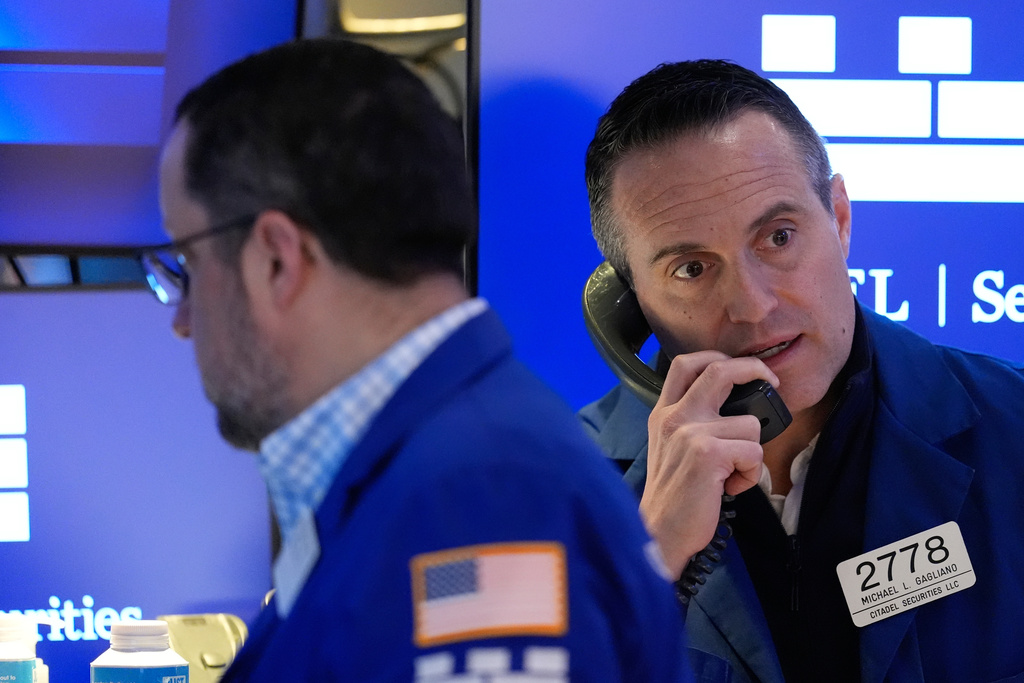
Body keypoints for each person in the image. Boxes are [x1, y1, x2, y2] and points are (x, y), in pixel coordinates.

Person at [140, 39, 692, 682]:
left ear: (276, 260)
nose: (182, 319)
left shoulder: (479, 503)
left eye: (186, 262)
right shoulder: (438, 474)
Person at [579, 59, 1024, 682]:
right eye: (692, 269)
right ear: (631, 306)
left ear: (839, 219)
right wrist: (651, 559)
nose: (753, 305)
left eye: (779, 237)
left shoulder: (1013, 429)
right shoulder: (555, 487)